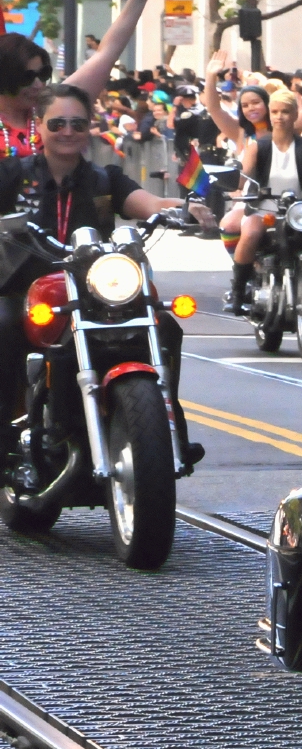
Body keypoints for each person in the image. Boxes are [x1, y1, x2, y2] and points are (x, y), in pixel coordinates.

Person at [0, 85, 217, 467]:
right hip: (26, 288)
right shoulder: (13, 175)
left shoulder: (104, 179)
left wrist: (183, 207)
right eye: (58, 123)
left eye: (78, 123)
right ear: (40, 126)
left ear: (90, 127)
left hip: (94, 290)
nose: (68, 131)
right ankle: (4, 439)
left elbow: (147, 203)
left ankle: (169, 427)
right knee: (2, 325)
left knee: (164, 325)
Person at [0, 0, 176, 159]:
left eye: (43, 74)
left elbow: (106, 54)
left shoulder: (57, 105)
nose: (38, 84)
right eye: (27, 77)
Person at [224, 90, 302, 312]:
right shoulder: (258, 146)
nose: (279, 116)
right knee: (251, 234)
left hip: (301, 209)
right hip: (265, 209)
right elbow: (242, 175)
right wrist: (234, 188)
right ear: (270, 115)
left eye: (285, 111)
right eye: (274, 111)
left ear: (294, 115)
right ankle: (238, 290)